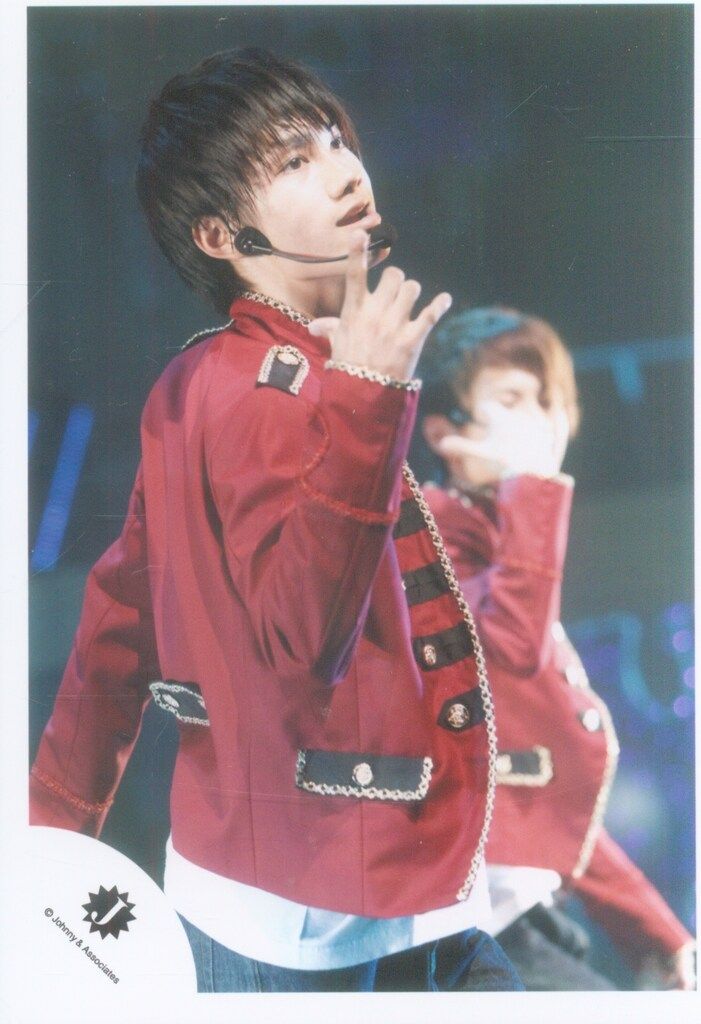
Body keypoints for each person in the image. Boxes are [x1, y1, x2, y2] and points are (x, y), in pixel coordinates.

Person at [29, 50, 522, 993]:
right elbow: (299, 638)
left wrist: (48, 828)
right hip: (329, 919)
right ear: (220, 234)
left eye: (336, 140)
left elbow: (117, 624)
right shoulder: (267, 391)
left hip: (331, 896)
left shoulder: (208, 380)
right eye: (296, 159)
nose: (345, 171)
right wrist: (368, 394)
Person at [417, 306, 695, 990]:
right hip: (469, 922)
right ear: (446, 430)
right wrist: (534, 489)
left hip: (524, 908)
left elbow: (539, 796)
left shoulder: (500, 540)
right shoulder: (428, 544)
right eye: (513, 398)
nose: (543, 420)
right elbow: (510, 649)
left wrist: (654, 933)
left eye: (550, 401)